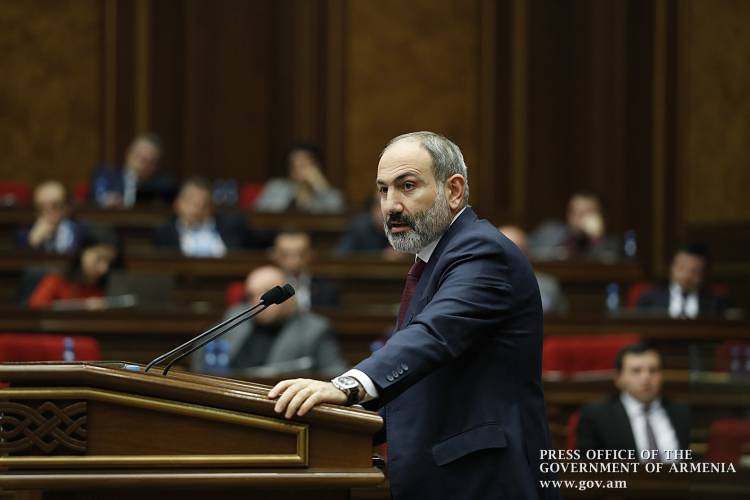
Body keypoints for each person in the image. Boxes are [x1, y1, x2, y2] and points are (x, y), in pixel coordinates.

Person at [268, 131, 558, 500]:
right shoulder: (437, 260)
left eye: (407, 186)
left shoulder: (483, 252)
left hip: (486, 481)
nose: (390, 205)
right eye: (383, 190)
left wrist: (346, 387)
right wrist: (332, 425)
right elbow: (422, 380)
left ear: (454, 191)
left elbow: (434, 336)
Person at [193, 265, 347, 377]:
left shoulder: (315, 329)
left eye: (266, 293)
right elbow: (201, 361)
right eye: (251, 295)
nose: (258, 300)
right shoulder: (236, 317)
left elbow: (334, 375)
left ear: (286, 296)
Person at [576, 342, 690, 461]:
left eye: (653, 370)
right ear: (619, 378)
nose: (646, 378)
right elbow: (586, 466)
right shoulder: (597, 415)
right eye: (636, 371)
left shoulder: (680, 411)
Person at [153, 177, 263, 257]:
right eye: (191, 202)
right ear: (177, 204)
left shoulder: (233, 227)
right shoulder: (165, 233)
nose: (197, 208)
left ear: (212, 207)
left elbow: (260, 243)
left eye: (203, 204)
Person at [28, 230, 122, 310]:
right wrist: (82, 306)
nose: (104, 269)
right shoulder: (56, 280)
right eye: (99, 259)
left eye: (109, 262)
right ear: (82, 253)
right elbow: (36, 308)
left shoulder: (105, 286)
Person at [636, 243, 729, 318]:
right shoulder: (648, 301)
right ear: (671, 268)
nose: (687, 276)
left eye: (695, 271)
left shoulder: (716, 303)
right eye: (681, 268)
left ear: (705, 274)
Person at [90, 133, 177, 207]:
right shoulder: (107, 176)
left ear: (155, 166)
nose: (142, 164)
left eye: (149, 161)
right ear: (128, 154)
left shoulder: (163, 185)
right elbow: (96, 197)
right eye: (139, 157)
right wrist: (106, 200)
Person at [254, 144, 345, 213]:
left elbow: (336, 217)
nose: (299, 170)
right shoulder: (276, 187)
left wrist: (321, 187)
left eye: (304, 165)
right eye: (294, 166)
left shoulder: (329, 193)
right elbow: (259, 214)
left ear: (317, 166)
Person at [499, 224, 568, 314]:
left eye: (517, 252)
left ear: (528, 255)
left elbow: (563, 318)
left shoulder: (548, 287)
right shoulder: (483, 285)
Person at [529, 192, 618, 261]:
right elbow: (531, 253)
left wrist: (597, 238)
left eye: (588, 213)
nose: (581, 218)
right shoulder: (549, 232)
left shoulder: (611, 245)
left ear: (600, 216)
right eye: (577, 212)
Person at [269, 230, 339, 311]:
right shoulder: (266, 289)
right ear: (274, 255)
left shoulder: (327, 289)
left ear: (310, 254)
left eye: (301, 254)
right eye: (285, 254)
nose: (294, 260)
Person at [16, 181, 88, 254]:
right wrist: (32, 243)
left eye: (55, 206)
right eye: (41, 207)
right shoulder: (24, 232)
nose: (48, 211)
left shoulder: (81, 230)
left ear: (66, 207)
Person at [335, 193, 406, 261]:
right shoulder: (359, 227)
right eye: (379, 207)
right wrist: (380, 256)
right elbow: (340, 255)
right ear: (372, 209)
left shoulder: (404, 227)